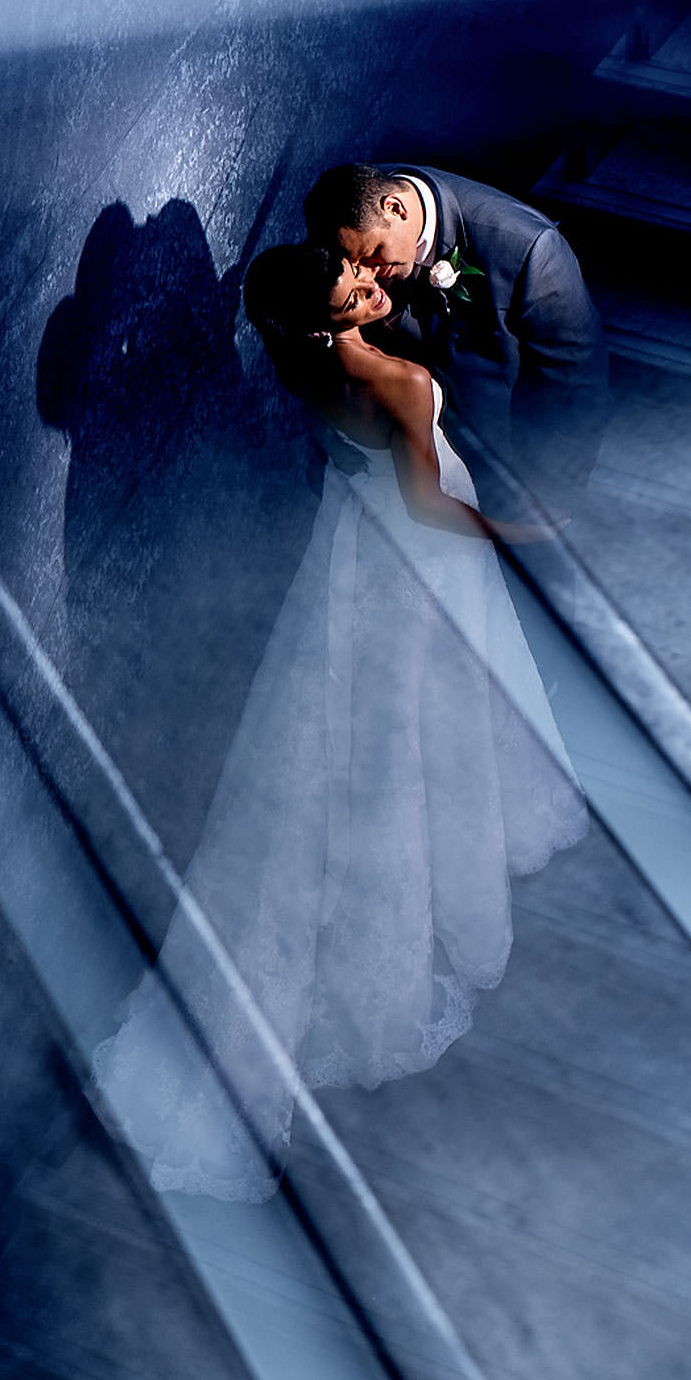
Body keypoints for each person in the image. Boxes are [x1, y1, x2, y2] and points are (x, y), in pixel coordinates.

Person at [89, 243, 586, 1202]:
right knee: (408, 736)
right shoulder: (392, 379)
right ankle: (395, 928)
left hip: (353, 557)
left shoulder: (313, 367)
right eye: (355, 287)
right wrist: (528, 534)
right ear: (328, 318)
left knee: (354, 733)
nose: (372, 283)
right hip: (418, 566)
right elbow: (432, 508)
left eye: (360, 274)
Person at [304, 162, 608, 520]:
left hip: (501, 478)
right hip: (389, 475)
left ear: (396, 209)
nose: (366, 278)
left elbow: (577, 386)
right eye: (354, 266)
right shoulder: (346, 212)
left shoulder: (529, 250)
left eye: (374, 257)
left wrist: (552, 499)